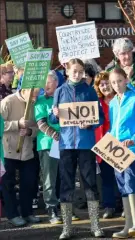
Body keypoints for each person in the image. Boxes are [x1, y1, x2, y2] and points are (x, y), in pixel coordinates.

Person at [50, 58, 105, 239]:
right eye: (74, 71)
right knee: (66, 184)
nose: (77, 74)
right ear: (66, 70)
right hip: (66, 145)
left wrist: (89, 124)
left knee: (89, 184)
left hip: (85, 144)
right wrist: (55, 114)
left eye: (80, 71)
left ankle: (95, 226)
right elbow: (52, 119)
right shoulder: (59, 91)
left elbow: (100, 118)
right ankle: (67, 228)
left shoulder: (89, 91)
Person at [106, 38, 135, 213]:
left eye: (127, 52)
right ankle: (125, 210)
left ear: (132, 51)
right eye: (121, 53)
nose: (125, 56)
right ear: (117, 55)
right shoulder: (111, 71)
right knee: (120, 177)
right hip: (118, 138)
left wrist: (131, 80)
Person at [108, 67, 135, 238]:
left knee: (131, 183)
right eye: (113, 82)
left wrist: (133, 139)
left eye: (119, 80)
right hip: (115, 149)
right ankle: (127, 226)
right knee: (122, 186)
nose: (116, 85)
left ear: (126, 80)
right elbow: (113, 127)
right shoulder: (112, 103)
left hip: (131, 148)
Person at [0, 87, 41, 227]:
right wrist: (17, 124)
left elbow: (37, 128)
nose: (35, 98)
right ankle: (12, 215)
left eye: (37, 94)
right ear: (24, 90)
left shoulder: (36, 104)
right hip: (8, 150)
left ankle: (27, 212)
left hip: (27, 151)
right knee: (8, 185)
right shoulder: (8, 101)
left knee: (28, 183)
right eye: (33, 94)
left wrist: (30, 131)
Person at [34, 71, 62, 224]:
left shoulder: (63, 98)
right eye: (44, 83)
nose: (46, 85)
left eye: (49, 82)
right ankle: (51, 209)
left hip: (65, 144)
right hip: (48, 144)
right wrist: (55, 135)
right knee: (49, 178)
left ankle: (65, 207)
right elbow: (41, 123)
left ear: (56, 83)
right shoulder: (40, 101)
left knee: (64, 177)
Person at [93, 71, 117, 219]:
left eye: (107, 83)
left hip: (120, 143)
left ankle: (123, 204)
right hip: (103, 144)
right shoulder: (96, 104)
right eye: (101, 84)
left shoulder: (119, 99)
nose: (104, 86)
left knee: (122, 177)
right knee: (107, 178)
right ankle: (109, 206)